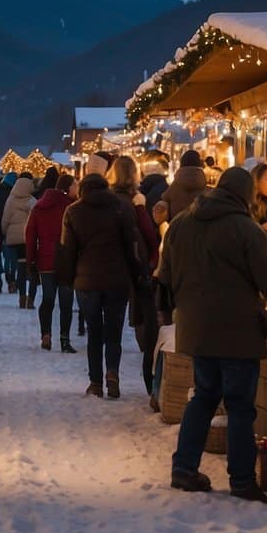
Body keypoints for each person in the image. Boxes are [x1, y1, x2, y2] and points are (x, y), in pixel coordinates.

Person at [161, 167, 267, 503]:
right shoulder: (247, 230)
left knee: (203, 397)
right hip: (238, 333)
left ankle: (184, 468)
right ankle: (241, 481)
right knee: (239, 407)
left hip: (196, 329)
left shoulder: (181, 224)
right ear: (246, 195)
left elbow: (165, 275)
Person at [58, 173, 144, 399]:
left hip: (87, 281)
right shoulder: (121, 208)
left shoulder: (74, 211)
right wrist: (137, 276)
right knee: (114, 333)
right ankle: (113, 374)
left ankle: (95, 382)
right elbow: (131, 246)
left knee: (94, 333)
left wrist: (67, 279)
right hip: (117, 279)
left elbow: (67, 250)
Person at [110, 156, 161, 406]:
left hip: (109, 269)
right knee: (145, 324)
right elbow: (149, 236)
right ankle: (148, 384)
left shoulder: (106, 200)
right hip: (135, 269)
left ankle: (106, 376)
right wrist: (151, 261)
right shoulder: (136, 202)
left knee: (109, 328)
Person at [26, 173, 78, 353]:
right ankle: (65, 339)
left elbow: (31, 235)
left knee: (48, 298)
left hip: (45, 259)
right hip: (66, 260)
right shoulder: (71, 207)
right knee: (66, 301)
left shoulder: (39, 207)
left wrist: (31, 260)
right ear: (67, 188)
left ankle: (46, 334)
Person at [2, 175, 38, 308]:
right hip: (29, 238)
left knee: (20, 269)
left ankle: (22, 298)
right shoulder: (32, 201)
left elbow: (5, 219)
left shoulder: (10, 200)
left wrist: (6, 232)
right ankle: (31, 299)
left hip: (15, 240)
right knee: (33, 270)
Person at [153, 151, 207, 229]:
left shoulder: (173, 188)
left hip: (177, 233)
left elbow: (162, 203)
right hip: (202, 233)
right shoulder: (207, 189)